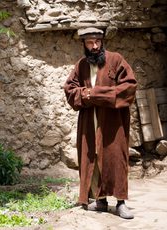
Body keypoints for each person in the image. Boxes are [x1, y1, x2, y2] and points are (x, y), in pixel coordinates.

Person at [63, 27, 137, 219]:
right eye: (90, 43)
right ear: (84, 44)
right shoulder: (81, 66)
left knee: (116, 157)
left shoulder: (116, 59)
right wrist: (84, 94)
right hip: (89, 121)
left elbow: (129, 87)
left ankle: (121, 202)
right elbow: (70, 90)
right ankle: (101, 200)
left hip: (113, 122)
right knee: (92, 158)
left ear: (102, 42)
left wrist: (94, 94)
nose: (94, 46)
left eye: (97, 42)